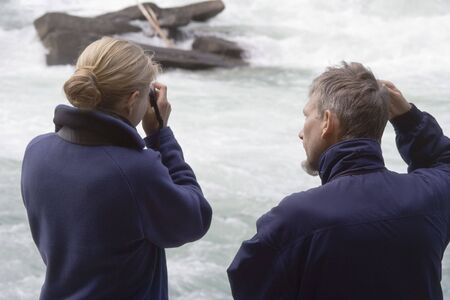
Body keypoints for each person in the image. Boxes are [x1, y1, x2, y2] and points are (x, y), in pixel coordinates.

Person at [227, 62, 450, 300]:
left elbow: (248, 287)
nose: (301, 133)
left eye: (306, 116)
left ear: (327, 122)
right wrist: (408, 119)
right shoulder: (428, 199)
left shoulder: (292, 219)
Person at [21, 37, 212, 300]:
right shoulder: (136, 172)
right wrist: (161, 137)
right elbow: (195, 219)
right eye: (147, 95)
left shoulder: (36, 151)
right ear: (132, 100)